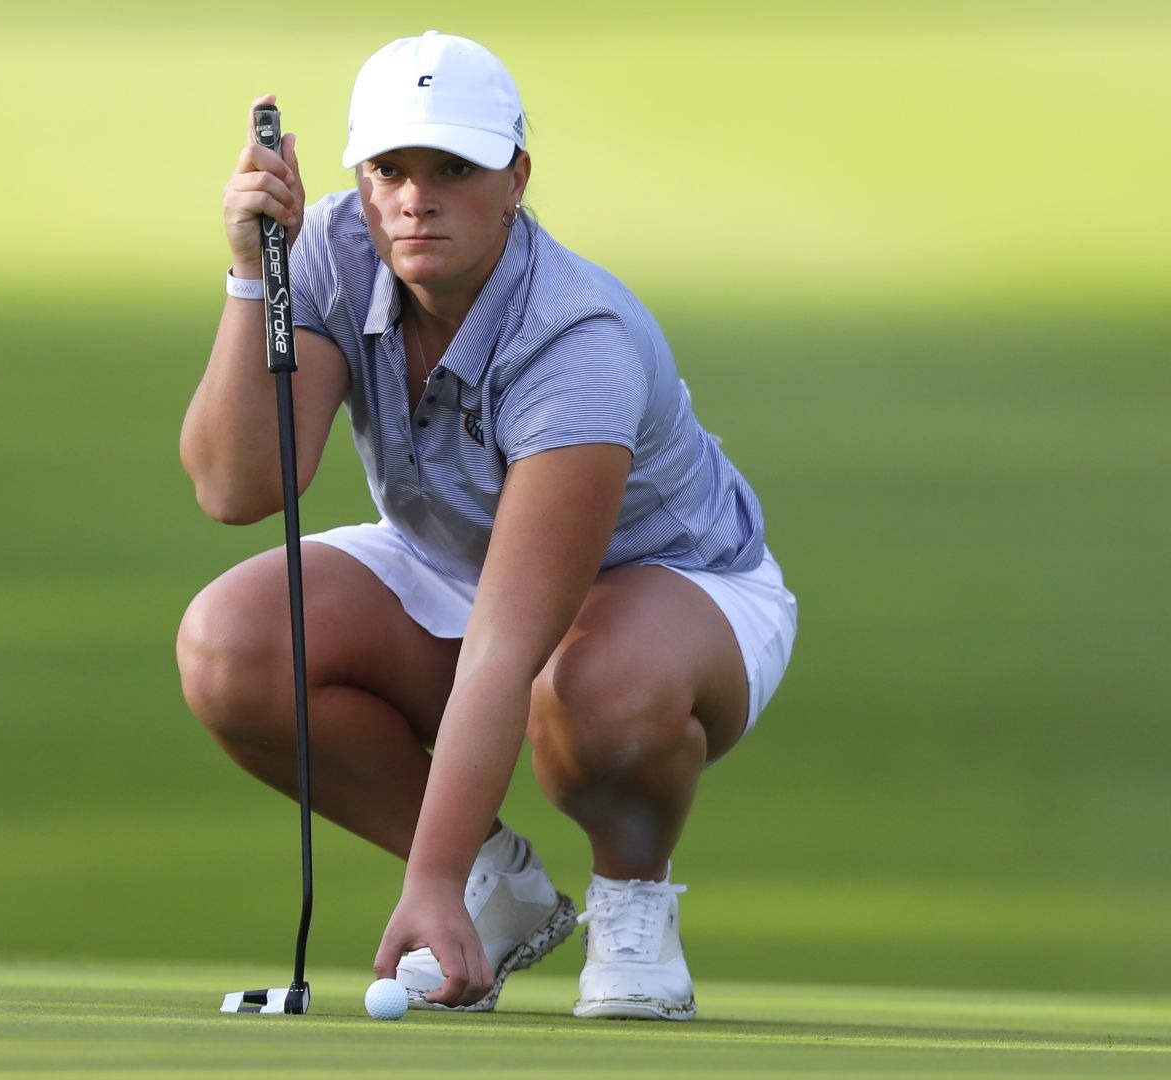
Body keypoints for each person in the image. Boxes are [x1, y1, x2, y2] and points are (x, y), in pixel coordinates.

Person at [177, 31, 796, 1021]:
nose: (415, 197)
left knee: (597, 691)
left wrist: (424, 880)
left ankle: (633, 901)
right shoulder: (333, 250)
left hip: (677, 589)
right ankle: (498, 889)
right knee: (231, 645)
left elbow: (510, 643)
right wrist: (253, 275)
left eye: (452, 169)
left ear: (515, 177)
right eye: (389, 169)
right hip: (456, 557)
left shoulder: (574, 341)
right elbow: (240, 488)